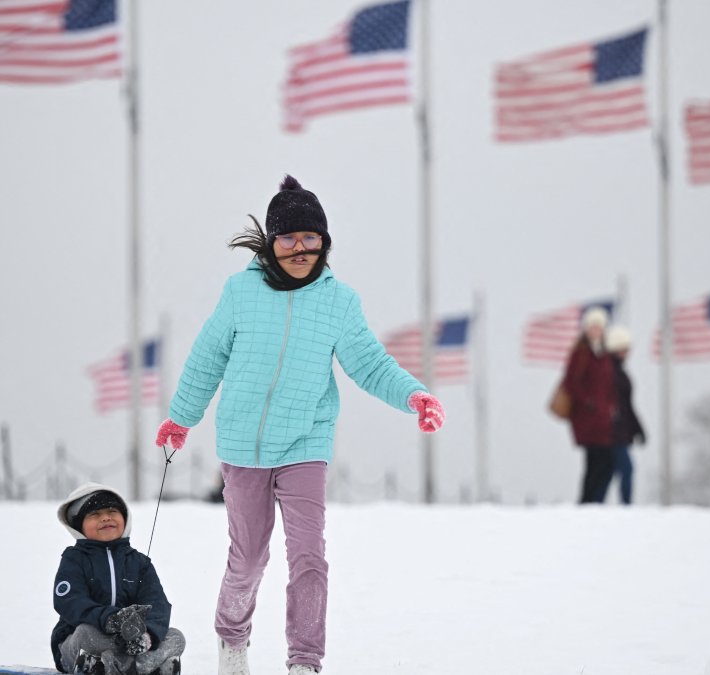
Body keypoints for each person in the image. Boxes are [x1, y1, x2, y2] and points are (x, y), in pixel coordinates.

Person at [154, 175, 446, 675]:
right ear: (270, 243)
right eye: (289, 238)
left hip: (306, 440)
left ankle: (305, 662)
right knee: (248, 559)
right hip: (243, 443)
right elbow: (207, 359)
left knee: (309, 556)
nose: (301, 248)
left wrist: (413, 394)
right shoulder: (240, 292)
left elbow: (369, 363)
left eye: (311, 238)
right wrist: (182, 418)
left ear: (324, 243)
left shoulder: (339, 302)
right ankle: (233, 639)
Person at [51, 482, 186, 675]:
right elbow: (70, 602)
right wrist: (111, 619)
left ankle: (133, 666)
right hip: (83, 642)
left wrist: (146, 635)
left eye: (112, 511)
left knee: (175, 637)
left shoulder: (140, 562)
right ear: (78, 525)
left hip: (128, 645)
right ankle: (103, 666)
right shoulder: (74, 559)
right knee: (86, 634)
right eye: (94, 515)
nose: (105, 518)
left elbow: (157, 603)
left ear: (125, 518)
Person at [561, 306, 617, 504]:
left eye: (599, 327)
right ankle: (587, 502)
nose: (596, 331)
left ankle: (595, 500)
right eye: (592, 327)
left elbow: (609, 385)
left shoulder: (605, 355)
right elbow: (570, 382)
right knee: (595, 460)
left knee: (606, 462)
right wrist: (587, 402)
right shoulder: (581, 353)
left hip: (604, 418)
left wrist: (611, 407)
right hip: (587, 418)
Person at [606, 325, 646, 505]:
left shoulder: (621, 373)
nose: (627, 352)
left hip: (622, 432)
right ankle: (625, 507)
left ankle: (595, 507)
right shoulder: (606, 373)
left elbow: (628, 406)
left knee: (609, 472)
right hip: (610, 432)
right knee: (625, 469)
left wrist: (638, 429)